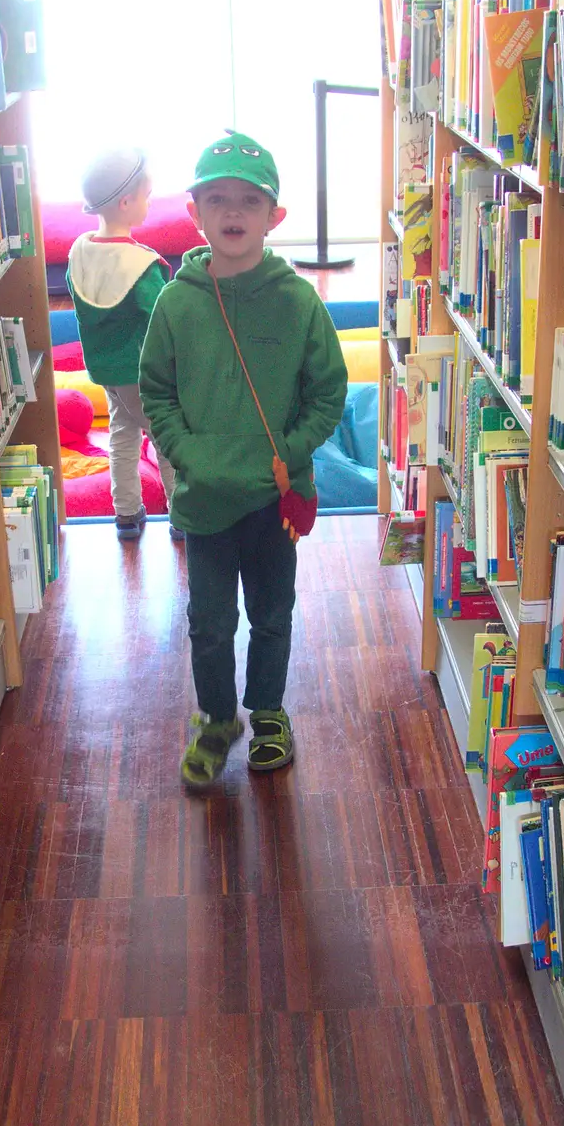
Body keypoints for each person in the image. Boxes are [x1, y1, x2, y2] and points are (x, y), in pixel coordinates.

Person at [140, 130, 347, 788]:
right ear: (195, 211)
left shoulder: (298, 302)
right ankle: (217, 717)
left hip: (270, 498)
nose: (234, 212)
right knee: (208, 624)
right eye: (219, 199)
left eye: (250, 201)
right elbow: (156, 390)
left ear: (274, 216)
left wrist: (283, 453)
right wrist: (186, 453)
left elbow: (329, 389)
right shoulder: (175, 304)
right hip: (204, 499)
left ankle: (267, 713)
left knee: (272, 613)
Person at [68, 147, 178, 540]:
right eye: (147, 196)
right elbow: (164, 318)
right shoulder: (141, 265)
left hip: (106, 371)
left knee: (122, 437)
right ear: (127, 202)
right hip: (143, 373)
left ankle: (127, 514)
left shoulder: (80, 251)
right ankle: (182, 514)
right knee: (167, 440)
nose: (150, 203)